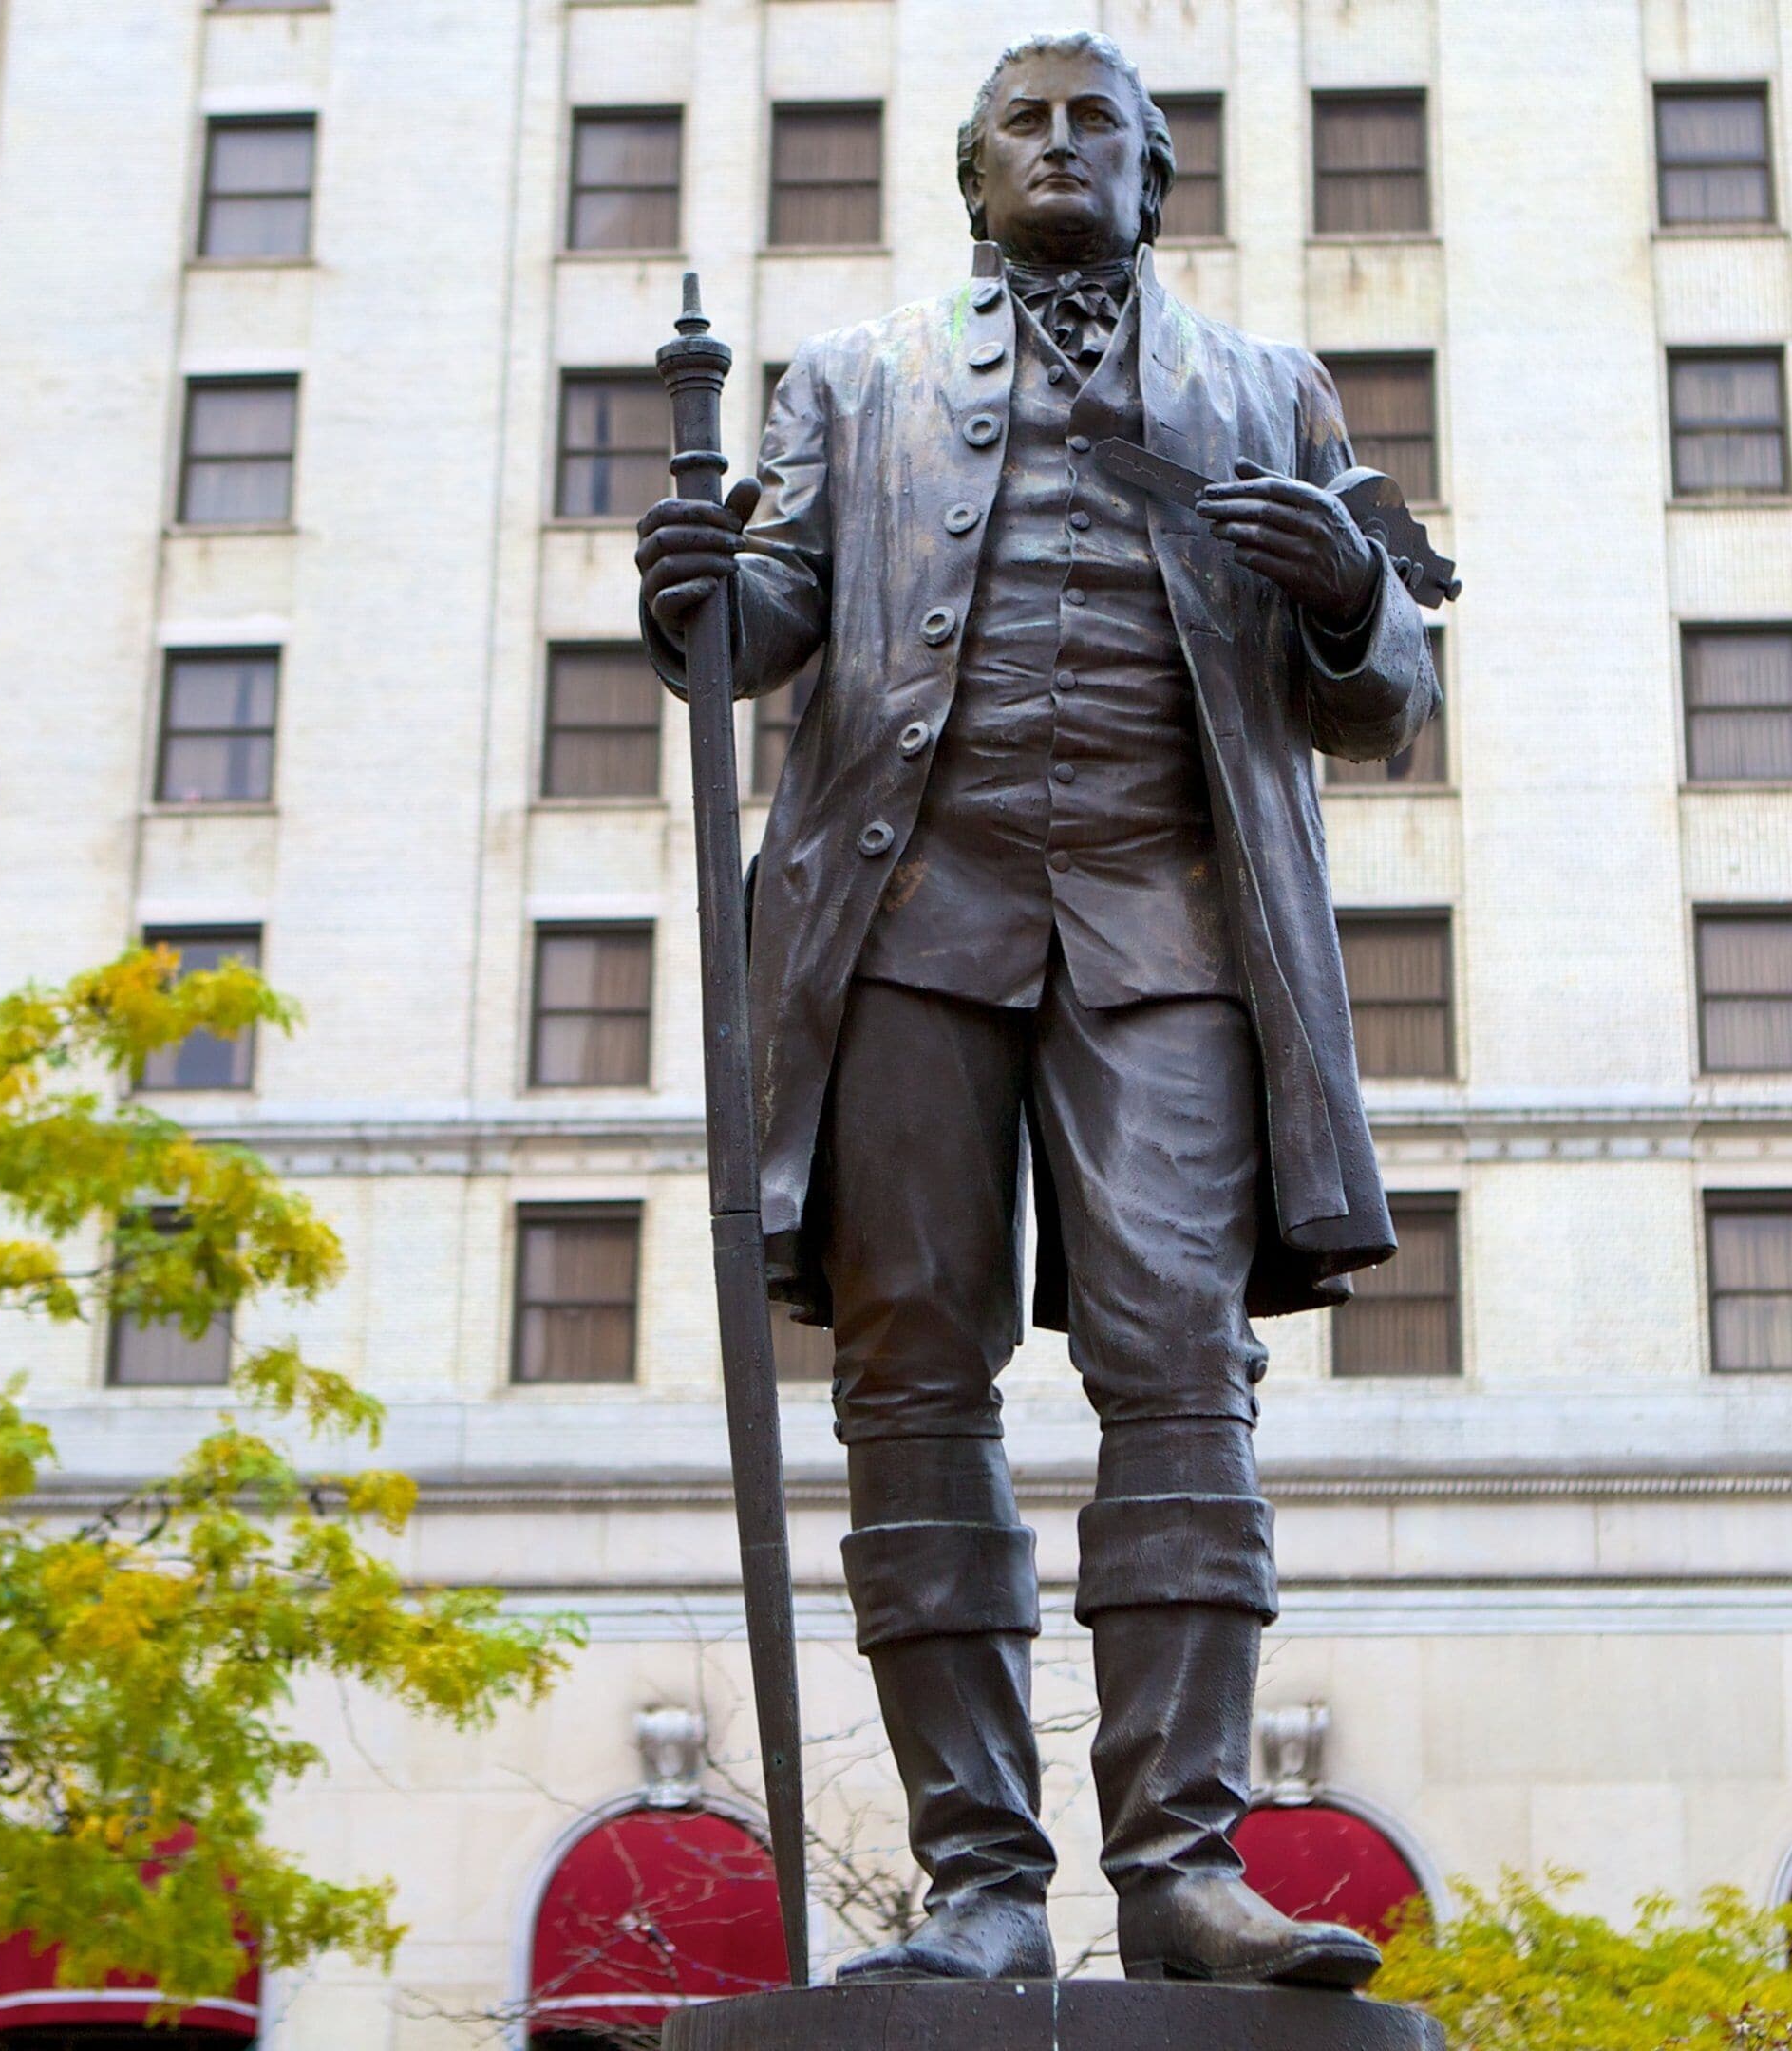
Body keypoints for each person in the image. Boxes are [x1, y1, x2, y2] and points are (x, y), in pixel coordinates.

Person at [636, 28, 1442, 1990]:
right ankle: (981, 1883)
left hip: (1169, 935)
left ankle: (1182, 1869)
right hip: (910, 922)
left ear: (1159, 177)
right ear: (974, 176)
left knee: (1182, 1370)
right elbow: (762, 628)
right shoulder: (852, 384)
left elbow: (1384, 695)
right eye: (1028, 125)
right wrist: (691, 593)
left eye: (1105, 125)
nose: (1064, 149)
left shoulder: (1267, 389)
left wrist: (1346, 583)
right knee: (913, 1379)